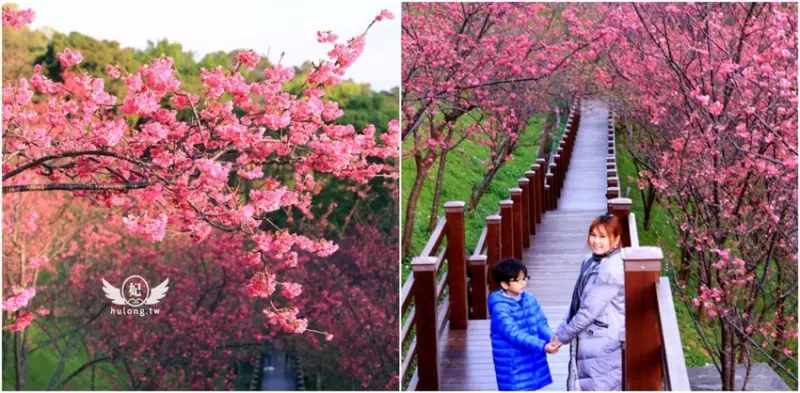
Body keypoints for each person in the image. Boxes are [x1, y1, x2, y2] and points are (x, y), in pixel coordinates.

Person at [553, 214, 625, 391]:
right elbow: (576, 302)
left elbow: (588, 311)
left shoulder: (612, 270)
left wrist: (561, 338)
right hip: (589, 338)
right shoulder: (590, 260)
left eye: (603, 236)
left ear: (616, 240)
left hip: (604, 342)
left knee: (599, 386)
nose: (596, 241)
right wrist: (560, 331)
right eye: (593, 235)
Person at [489, 259, 560, 391]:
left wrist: (552, 338)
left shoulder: (529, 298)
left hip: (532, 357)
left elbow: (540, 322)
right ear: (504, 284)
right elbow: (514, 334)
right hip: (514, 363)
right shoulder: (500, 307)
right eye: (518, 280)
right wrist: (542, 346)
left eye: (524, 278)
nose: (523, 283)